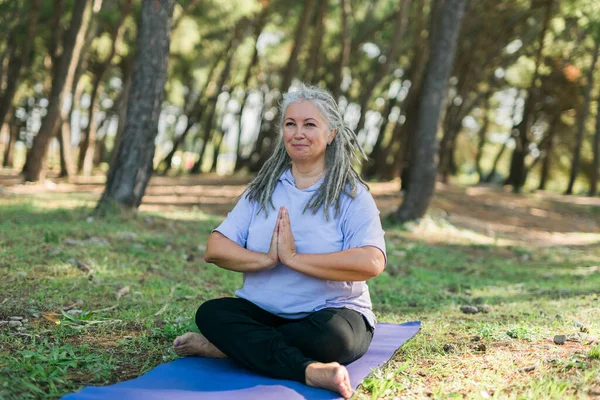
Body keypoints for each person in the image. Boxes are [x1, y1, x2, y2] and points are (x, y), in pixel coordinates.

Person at [173, 84, 386, 399]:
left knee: (335, 340)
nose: (298, 133)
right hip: (265, 309)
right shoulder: (263, 189)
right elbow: (215, 248)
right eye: (291, 124)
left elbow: (371, 262)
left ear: (331, 134)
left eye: (309, 124)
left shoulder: (351, 194)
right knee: (211, 314)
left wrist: (296, 259)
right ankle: (307, 370)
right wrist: (269, 259)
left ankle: (233, 348)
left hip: (329, 313)